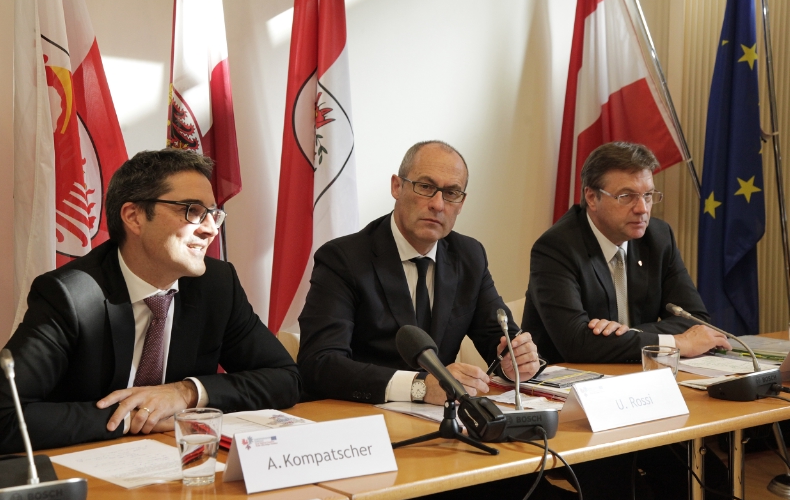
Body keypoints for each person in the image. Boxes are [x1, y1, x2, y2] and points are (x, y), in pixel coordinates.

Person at [0, 149, 301, 455]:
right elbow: (1, 418)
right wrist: (134, 416)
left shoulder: (217, 285)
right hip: (86, 465)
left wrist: (186, 393)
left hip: (174, 460)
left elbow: (285, 378)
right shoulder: (70, 295)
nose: (210, 229)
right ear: (134, 217)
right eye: (192, 211)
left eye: (213, 214)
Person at [298, 141, 541, 406]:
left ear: (461, 203)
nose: (438, 204)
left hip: (439, 418)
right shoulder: (343, 259)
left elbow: (500, 342)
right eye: (425, 187)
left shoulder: (468, 256)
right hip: (361, 415)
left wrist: (515, 363)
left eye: (451, 193)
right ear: (396, 187)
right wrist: (419, 387)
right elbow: (320, 364)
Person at [524, 141, 731, 364]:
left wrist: (626, 335)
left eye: (648, 195)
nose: (642, 208)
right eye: (626, 196)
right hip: (568, 379)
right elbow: (576, 343)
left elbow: (695, 321)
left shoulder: (659, 237)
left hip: (635, 372)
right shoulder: (556, 248)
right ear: (592, 197)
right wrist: (676, 343)